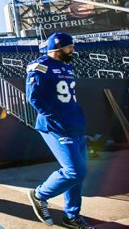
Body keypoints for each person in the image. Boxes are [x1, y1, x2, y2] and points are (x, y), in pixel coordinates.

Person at [26, 32, 93, 229]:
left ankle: (71, 216)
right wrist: (55, 117)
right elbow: (34, 98)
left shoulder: (67, 65)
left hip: (75, 125)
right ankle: (39, 195)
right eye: (69, 47)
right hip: (57, 127)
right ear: (57, 47)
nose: (73, 50)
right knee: (75, 172)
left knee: (78, 177)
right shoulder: (40, 65)